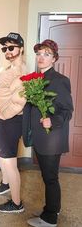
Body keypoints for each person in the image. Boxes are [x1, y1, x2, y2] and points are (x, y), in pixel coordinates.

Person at [24, 39, 74, 227]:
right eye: (39, 54)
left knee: (50, 177)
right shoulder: (36, 79)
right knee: (47, 176)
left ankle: (50, 217)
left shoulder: (60, 80)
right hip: (40, 136)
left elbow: (67, 110)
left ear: (54, 59)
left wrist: (52, 120)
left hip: (52, 137)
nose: (41, 57)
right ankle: (53, 207)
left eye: (46, 54)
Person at [0, 32, 27, 213]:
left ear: (21, 48)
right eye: (5, 48)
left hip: (12, 121)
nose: (7, 51)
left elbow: (19, 103)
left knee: (9, 161)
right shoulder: (5, 69)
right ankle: (5, 183)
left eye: (11, 47)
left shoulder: (23, 73)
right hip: (2, 118)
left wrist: (3, 114)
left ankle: (16, 203)